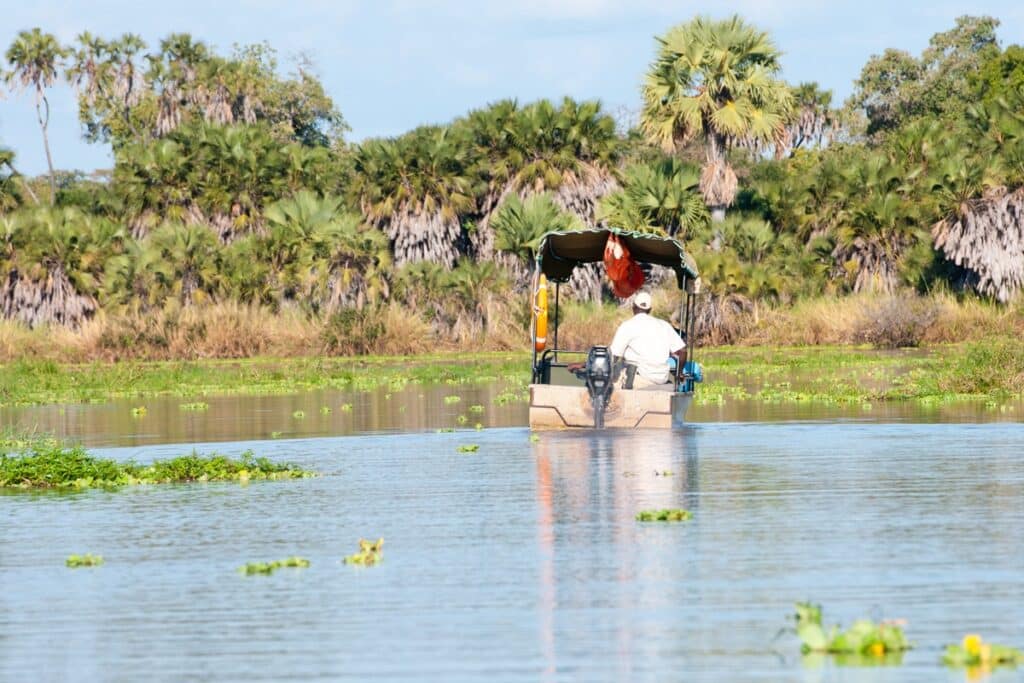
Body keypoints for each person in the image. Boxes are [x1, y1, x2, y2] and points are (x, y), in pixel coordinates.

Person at [609, 291, 685, 390]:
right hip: (661, 379)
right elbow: (683, 351)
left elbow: (613, 356)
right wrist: (679, 373)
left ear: (633, 307)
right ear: (649, 310)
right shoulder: (664, 325)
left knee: (610, 377)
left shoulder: (628, 325)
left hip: (640, 379)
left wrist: (589, 365)